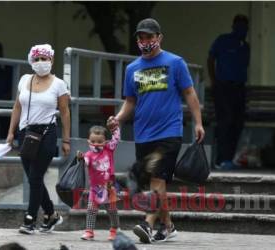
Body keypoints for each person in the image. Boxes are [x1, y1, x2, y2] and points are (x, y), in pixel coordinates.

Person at [107, 18, 205, 244]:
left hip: (169, 131)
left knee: (157, 180)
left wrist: (198, 122)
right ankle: (168, 226)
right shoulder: (132, 69)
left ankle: (147, 224)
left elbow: (190, 94)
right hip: (143, 133)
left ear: (159, 38)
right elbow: (130, 101)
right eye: (141, 38)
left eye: (149, 37)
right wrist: (118, 119)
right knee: (154, 183)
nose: (145, 41)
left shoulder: (175, 62)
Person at [6, 44, 71, 234]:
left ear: (51, 60)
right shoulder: (24, 80)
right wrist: (11, 132)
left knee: (35, 176)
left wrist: (66, 140)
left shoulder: (59, 84)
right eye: (37, 59)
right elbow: (17, 107)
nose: (41, 62)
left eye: (44, 59)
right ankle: (51, 214)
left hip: (46, 134)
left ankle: (29, 219)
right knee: (33, 178)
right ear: (31, 61)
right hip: (25, 133)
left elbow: (65, 113)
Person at [207, 14, 250, 170]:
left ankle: (229, 158)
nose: (242, 31)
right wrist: (214, 80)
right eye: (240, 27)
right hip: (224, 87)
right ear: (234, 27)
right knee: (226, 121)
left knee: (238, 123)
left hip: (239, 88)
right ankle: (223, 159)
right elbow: (211, 59)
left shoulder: (245, 46)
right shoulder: (223, 41)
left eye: (245, 28)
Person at [77, 124, 120, 241]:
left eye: (99, 141)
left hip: (109, 186)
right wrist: (81, 158)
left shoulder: (108, 150)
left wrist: (115, 129)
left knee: (112, 210)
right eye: (93, 141)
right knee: (91, 209)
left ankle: (114, 230)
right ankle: (89, 231)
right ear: (88, 141)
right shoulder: (89, 155)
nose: (96, 144)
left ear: (105, 141)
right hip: (95, 187)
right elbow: (85, 162)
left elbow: (116, 139)